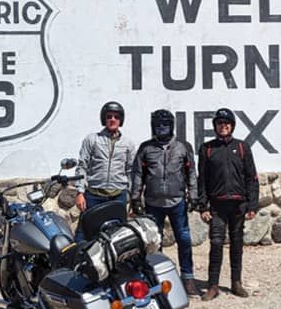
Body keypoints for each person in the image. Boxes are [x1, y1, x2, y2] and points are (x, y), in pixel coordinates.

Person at [131, 109, 200, 296]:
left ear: (172, 126)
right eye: (158, 125)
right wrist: (135, 197)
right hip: (153, 203)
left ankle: (188, 279)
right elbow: (138, 174)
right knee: (155, 243)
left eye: (165, 125)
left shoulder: (183, 146)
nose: (162, 129)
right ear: (153, 127)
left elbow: (191, 173)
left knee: (184, 240)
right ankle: (158, 279)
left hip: (177, 201)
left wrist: (193, 195)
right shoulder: (146, 148)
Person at [197, 107, 259, 301]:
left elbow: (252, 178)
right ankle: (213, 285)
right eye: (219, 123)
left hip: (238, 205)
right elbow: (202, 180)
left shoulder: (242, 147)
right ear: (215, 126)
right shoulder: (207, 148)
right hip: (217, 205)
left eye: (226, 123)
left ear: (231, 126)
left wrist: (252, 205)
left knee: (237, 244)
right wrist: (203, 206)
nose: (223, 126)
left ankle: (236, 283)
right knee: (216, 244)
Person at [74, 101, 136, 241]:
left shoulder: (128, 143)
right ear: (104, 119)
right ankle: (78, 261)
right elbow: (82, 166)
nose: (112, 119)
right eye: (109, 116)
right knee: (83, 233)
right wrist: (80, 192)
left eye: (116, 116)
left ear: (121, 120)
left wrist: (132, 198)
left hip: (117, 196)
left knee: (118, 236)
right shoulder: (92, 140)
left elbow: (130, 171)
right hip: (94, 194)